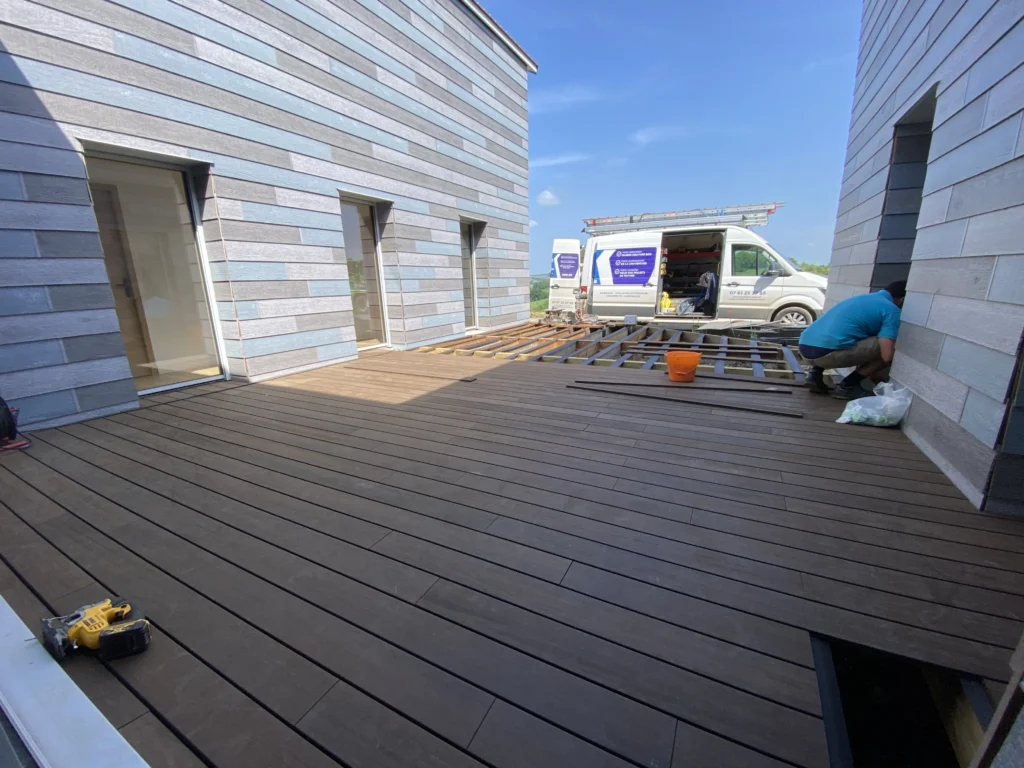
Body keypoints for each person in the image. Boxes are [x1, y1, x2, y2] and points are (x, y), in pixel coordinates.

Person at [798, 280, 906, 399]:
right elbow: (886, 355)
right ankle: (848, 385)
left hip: (804, 349)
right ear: (902, 300)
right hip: (826, 354)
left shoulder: (861, 298)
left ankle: (814, 375)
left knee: (841, 334)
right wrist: (875, 371)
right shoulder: (891, 310)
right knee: (888, 347)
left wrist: (872, 372)